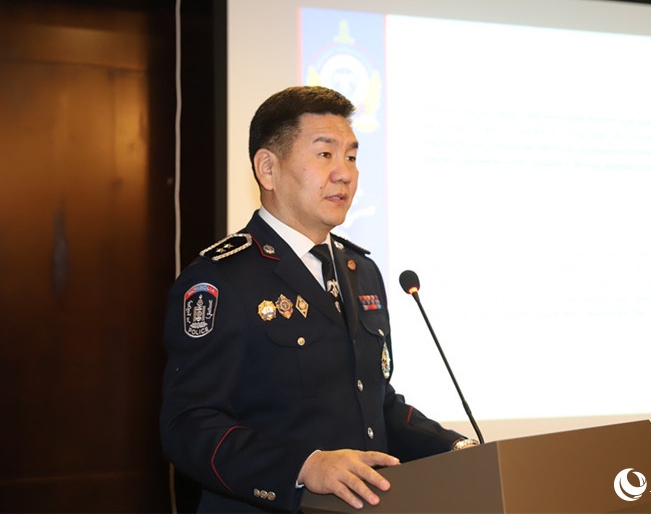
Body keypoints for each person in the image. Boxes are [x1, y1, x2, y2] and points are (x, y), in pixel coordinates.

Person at [160, 86, 477, 513]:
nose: (345, 173)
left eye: (352, 156)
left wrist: (458, 450)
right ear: (267, 168)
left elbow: (375, 402)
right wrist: (303, 466)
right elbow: (189, 426)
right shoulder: (220, 279)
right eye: (325, 154)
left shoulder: (361, 271)